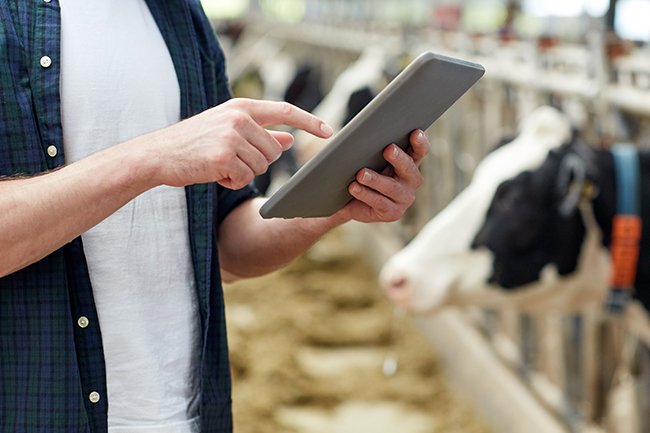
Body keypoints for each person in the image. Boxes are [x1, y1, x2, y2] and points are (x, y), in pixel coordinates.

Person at [0, 0, 430, 432]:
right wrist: (152, 157)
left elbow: (225, 247)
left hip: (182, 415)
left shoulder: (180, 15)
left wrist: (337, 200)